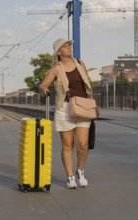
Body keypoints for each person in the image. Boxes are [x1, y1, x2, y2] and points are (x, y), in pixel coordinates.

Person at [39, 38, 94, 189]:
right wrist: (44, 89)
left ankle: (80, 171)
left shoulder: (80, 64)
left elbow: (86, 83)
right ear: (58, 52)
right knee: (67, 144)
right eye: (65, 46)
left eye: (69, 45)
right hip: (65, 108)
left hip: (83, 107)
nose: (69, 47)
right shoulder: (55, 69)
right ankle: (70, 177)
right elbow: (43, 84)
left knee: (83, 144)